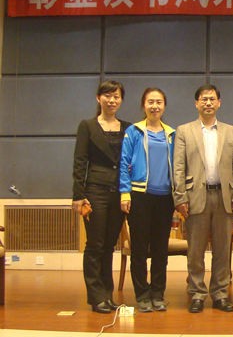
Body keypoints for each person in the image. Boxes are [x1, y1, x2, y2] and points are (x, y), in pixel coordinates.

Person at [173, 84, 233, 313]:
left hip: (224, 197)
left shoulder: (231, 131)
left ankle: (220, 294)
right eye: (204, 99)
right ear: (196, 103)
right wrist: (180, 197)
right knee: (195, 250)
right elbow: (178, 167)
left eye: (212, 99)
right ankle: (197, 293)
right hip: (195, 196)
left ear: (219, 103)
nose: (208, 103)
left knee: (222, 250)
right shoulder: (184, 131)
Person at [72, 80, 130, 314]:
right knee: (95, 244)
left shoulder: (127, 127)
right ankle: (96, 297)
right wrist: (78, 195)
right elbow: (80, 162)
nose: (112, 100)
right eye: (107, 95)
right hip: (95, 191)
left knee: (109, 245)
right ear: (99, 98)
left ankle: (107, 294)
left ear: (121, 100)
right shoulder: (87, 126)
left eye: (116, 96)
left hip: (119, 192)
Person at [119, 88, 175, 313]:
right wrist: (124, 193)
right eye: (150, 102)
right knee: (140, 250)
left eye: (159, 102)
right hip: (139, 197)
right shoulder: (133, 131)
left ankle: (158, 294)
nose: (155, 106)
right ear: (143, 105)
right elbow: (124, 162)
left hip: (165, 199)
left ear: (164, 106)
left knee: (161, 250)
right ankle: (142, 295)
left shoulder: (172, 134)